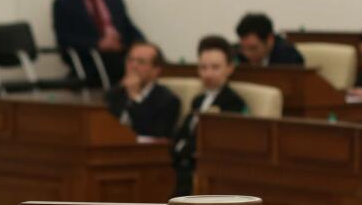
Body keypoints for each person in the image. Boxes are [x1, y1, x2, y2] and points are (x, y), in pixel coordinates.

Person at [51, 0, 145, 86]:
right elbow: (64, 38)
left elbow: (127, 25)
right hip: (90, 55)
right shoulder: (64, 3)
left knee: (149, 56)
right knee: (120, 63)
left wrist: (141, 44)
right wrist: (98, 44)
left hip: (120, 49)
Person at [171, 34, 247, 194]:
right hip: (181, 167)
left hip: (205, 173)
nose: (208, 74)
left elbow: (218, 144)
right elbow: (182, 135)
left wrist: (183, 150)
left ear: (230, 68)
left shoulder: (233, 103)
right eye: (203, 68)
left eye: (215, 67)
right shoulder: (198, 100)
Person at [105, 40, 181, 137]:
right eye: (130, 60)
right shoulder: (114, 94)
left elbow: (153, 134)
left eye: (141, 62)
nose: (133, 66)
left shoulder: (168, 100)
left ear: (156, 70)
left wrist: (135, 97)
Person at [234, 12, 305, 66]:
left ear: (269, 39)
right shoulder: (238, 54)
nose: (247, 54)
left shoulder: (289, 57)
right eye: (243, 48)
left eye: (253, 48)